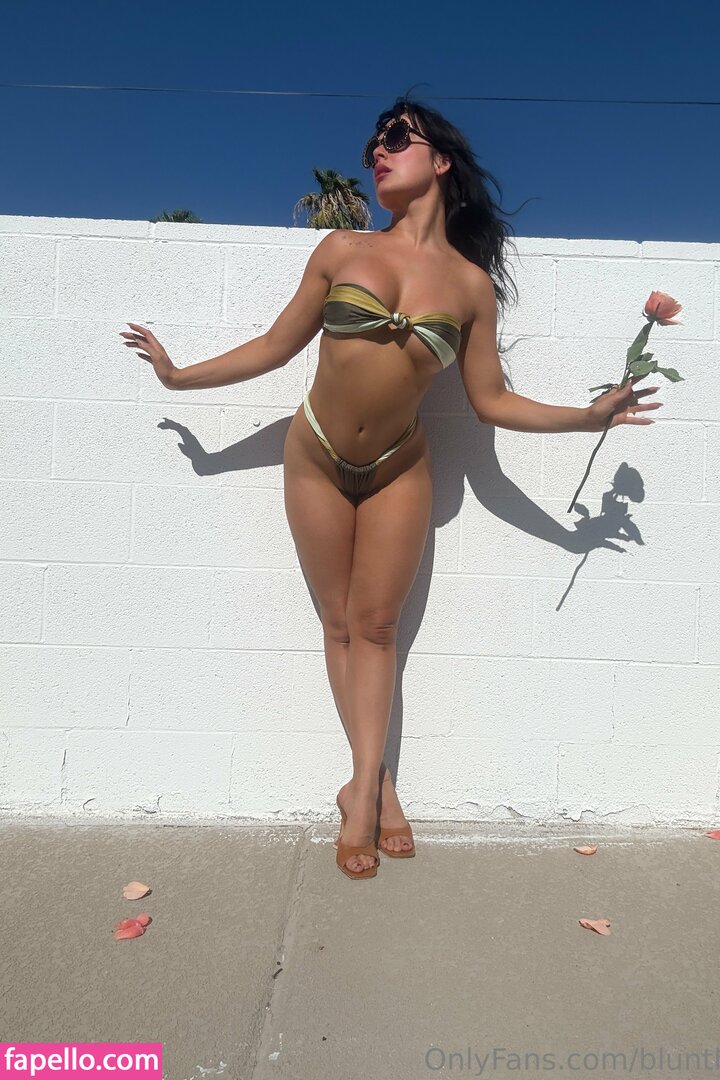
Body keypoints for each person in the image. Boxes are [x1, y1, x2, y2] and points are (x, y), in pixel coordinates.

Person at [120, 93, 662, 881]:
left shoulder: (470, 287)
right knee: (339, 623)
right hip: (316, 452)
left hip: (401, 465)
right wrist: (178, 377)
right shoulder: (342, 248)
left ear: (440, 160)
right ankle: (374, 792)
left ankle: (363, 789)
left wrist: (586, 418)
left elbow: (491, 401)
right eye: (373, 141)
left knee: (375, 627)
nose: (378, 150)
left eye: (397, 137)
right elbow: (275, 346)